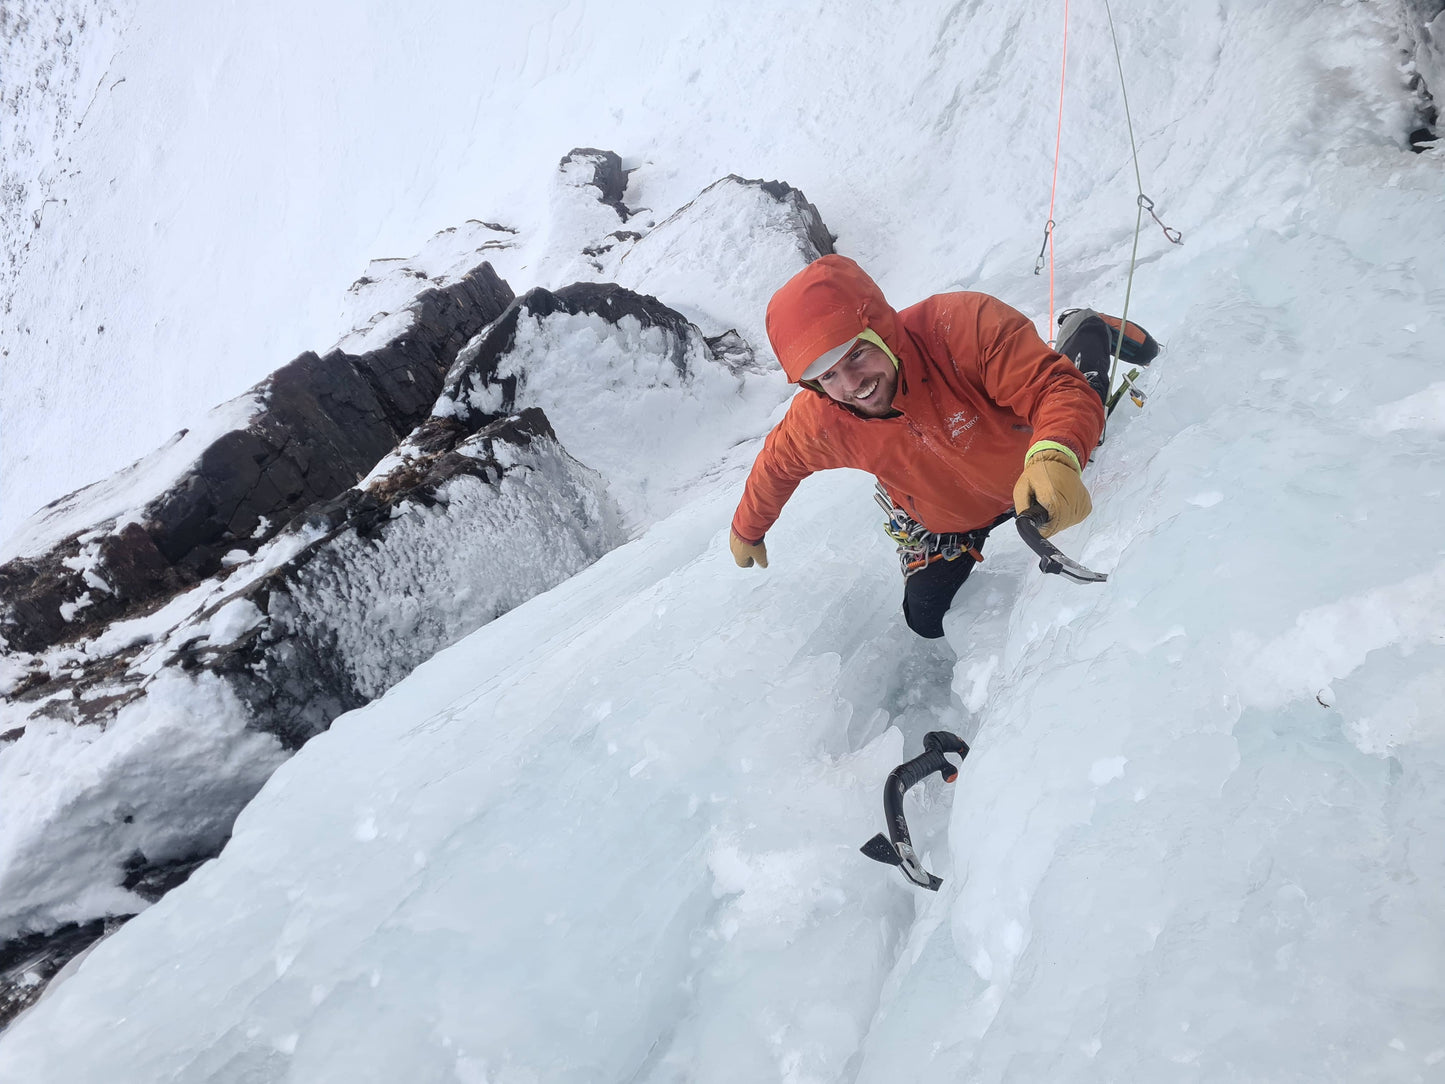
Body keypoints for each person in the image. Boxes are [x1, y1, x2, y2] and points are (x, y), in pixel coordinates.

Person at [727, 254, 1115, 639]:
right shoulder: (822, 420)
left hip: (1032, 465)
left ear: (882, 330)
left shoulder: (960, 328)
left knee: (1081, 403)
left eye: (858, 354)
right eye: (827, 375)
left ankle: (1085, 338)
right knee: (925, 619)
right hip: (949, 518)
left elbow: (1052, 389)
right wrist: (748, 529)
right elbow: (778, 465)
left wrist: (1055, 453)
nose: (852, 384)